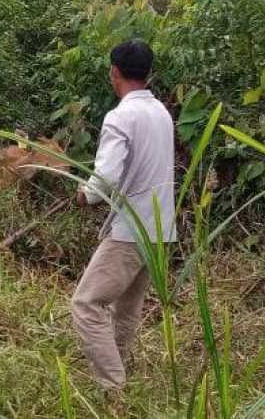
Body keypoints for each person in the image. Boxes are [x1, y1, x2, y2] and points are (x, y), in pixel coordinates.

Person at [71, 39, 176, 392]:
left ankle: (113, 388)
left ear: (113, 72)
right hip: (160, 231)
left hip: (131, 231)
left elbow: (106, 177)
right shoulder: (161, 113)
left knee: (86, 304)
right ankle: (119, 381)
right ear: (150, 74)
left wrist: (85, 195)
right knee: (126, 310)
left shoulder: (120, 116)